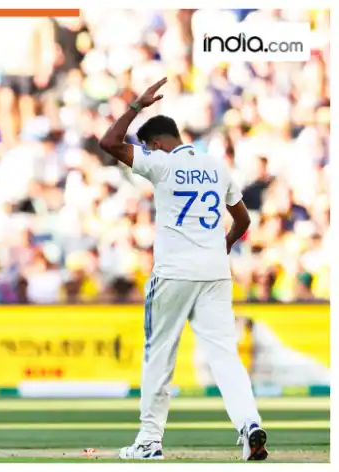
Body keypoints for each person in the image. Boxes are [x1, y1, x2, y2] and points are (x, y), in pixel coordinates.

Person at [99, 78, 267, 461]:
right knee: (225, 355)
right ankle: (250, 424)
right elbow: (242, 221)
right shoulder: (216, 166)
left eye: (146, 145)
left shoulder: (161, 164)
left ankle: (148, 441)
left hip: (174, 272)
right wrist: (221, 245)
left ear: (156, 142)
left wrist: (136, 107)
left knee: (160, 355)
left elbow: (108, 143)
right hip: (215, 273)